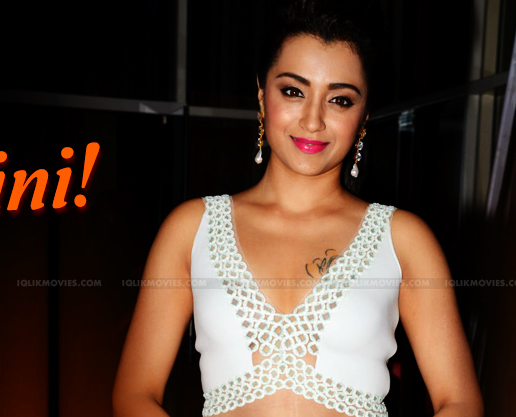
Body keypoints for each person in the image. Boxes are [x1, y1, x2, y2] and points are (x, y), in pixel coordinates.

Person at [112, 1, 484, 416]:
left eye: (340, 100)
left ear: (363, 115)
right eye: (293, 91)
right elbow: (134, 395)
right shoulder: (191, 229)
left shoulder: (404, 240)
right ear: (261, 95)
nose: (312, 121)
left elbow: (460, 402)